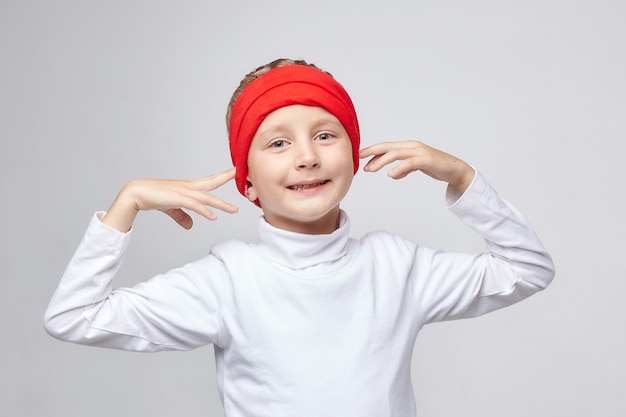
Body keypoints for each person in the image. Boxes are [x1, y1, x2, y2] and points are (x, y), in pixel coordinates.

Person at [44, 58, 555, 417]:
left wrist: (462, 178)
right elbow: (73, 317)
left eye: (325, 134)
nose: (306, 155)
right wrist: (126, 205)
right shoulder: (227, 282)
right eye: (279, 142)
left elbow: (527, 269)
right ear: (247, 181)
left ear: (353, 159)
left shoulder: (397, 268)